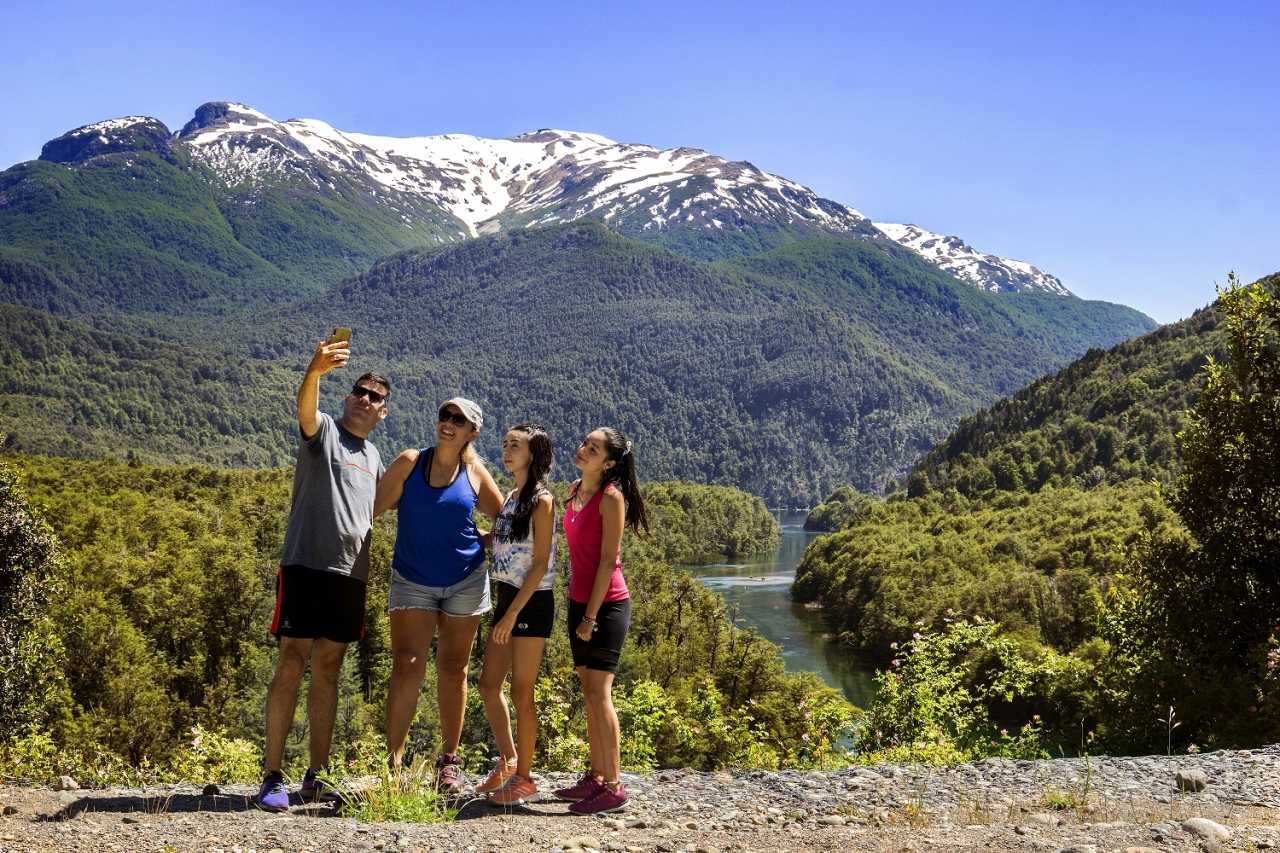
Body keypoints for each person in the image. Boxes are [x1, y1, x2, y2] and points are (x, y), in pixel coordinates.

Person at [256, 336, 390, 812]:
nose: (365, 399)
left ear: (382, 413)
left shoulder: (376, 458)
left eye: (375, 397)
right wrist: (314, 371)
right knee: (291, 661)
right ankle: (272, 775)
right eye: (359, 390)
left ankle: (316, 775)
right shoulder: (325, 431)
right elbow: (305, 410)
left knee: (329, 671)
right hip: (305, 565)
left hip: (350, 577)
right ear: (348, 395)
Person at [375, 397, 503, 793]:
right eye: (444, 416)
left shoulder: (475, 472)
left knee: (453, 670)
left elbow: (506, 519)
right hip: (412, 579)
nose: (447, 423)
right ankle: (394, 765)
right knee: (406, 665)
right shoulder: (411, 461)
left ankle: (449, 762)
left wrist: (485, 539)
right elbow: (371, 509)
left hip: (465, 581)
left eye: (458, 420)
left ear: (472, 433)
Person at [554, 427, 649, 815]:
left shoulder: (612, 499)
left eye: (593, 449)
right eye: (584, 444)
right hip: (579, 603)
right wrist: (580, 611)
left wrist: (591, 616)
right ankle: (595, 777)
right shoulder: (576, 490)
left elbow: (608, 560)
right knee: (589, 694)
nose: (583, 450)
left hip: (606, 606)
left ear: (609, 463)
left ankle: (614, 786)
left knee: (599, 694)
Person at [476, 424, 557, 806]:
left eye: (516, 446)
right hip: (508, 598)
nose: (507, 451)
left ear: (534, 454)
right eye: (505, 444)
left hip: (532, 602)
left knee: (522, 693)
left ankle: (524, 778)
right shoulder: (511, 496)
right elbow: (506, 539)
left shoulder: (542, 500)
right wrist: (479, 538)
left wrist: (511, 616)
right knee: (489, 685)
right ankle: (509, 762)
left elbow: (540, 564)